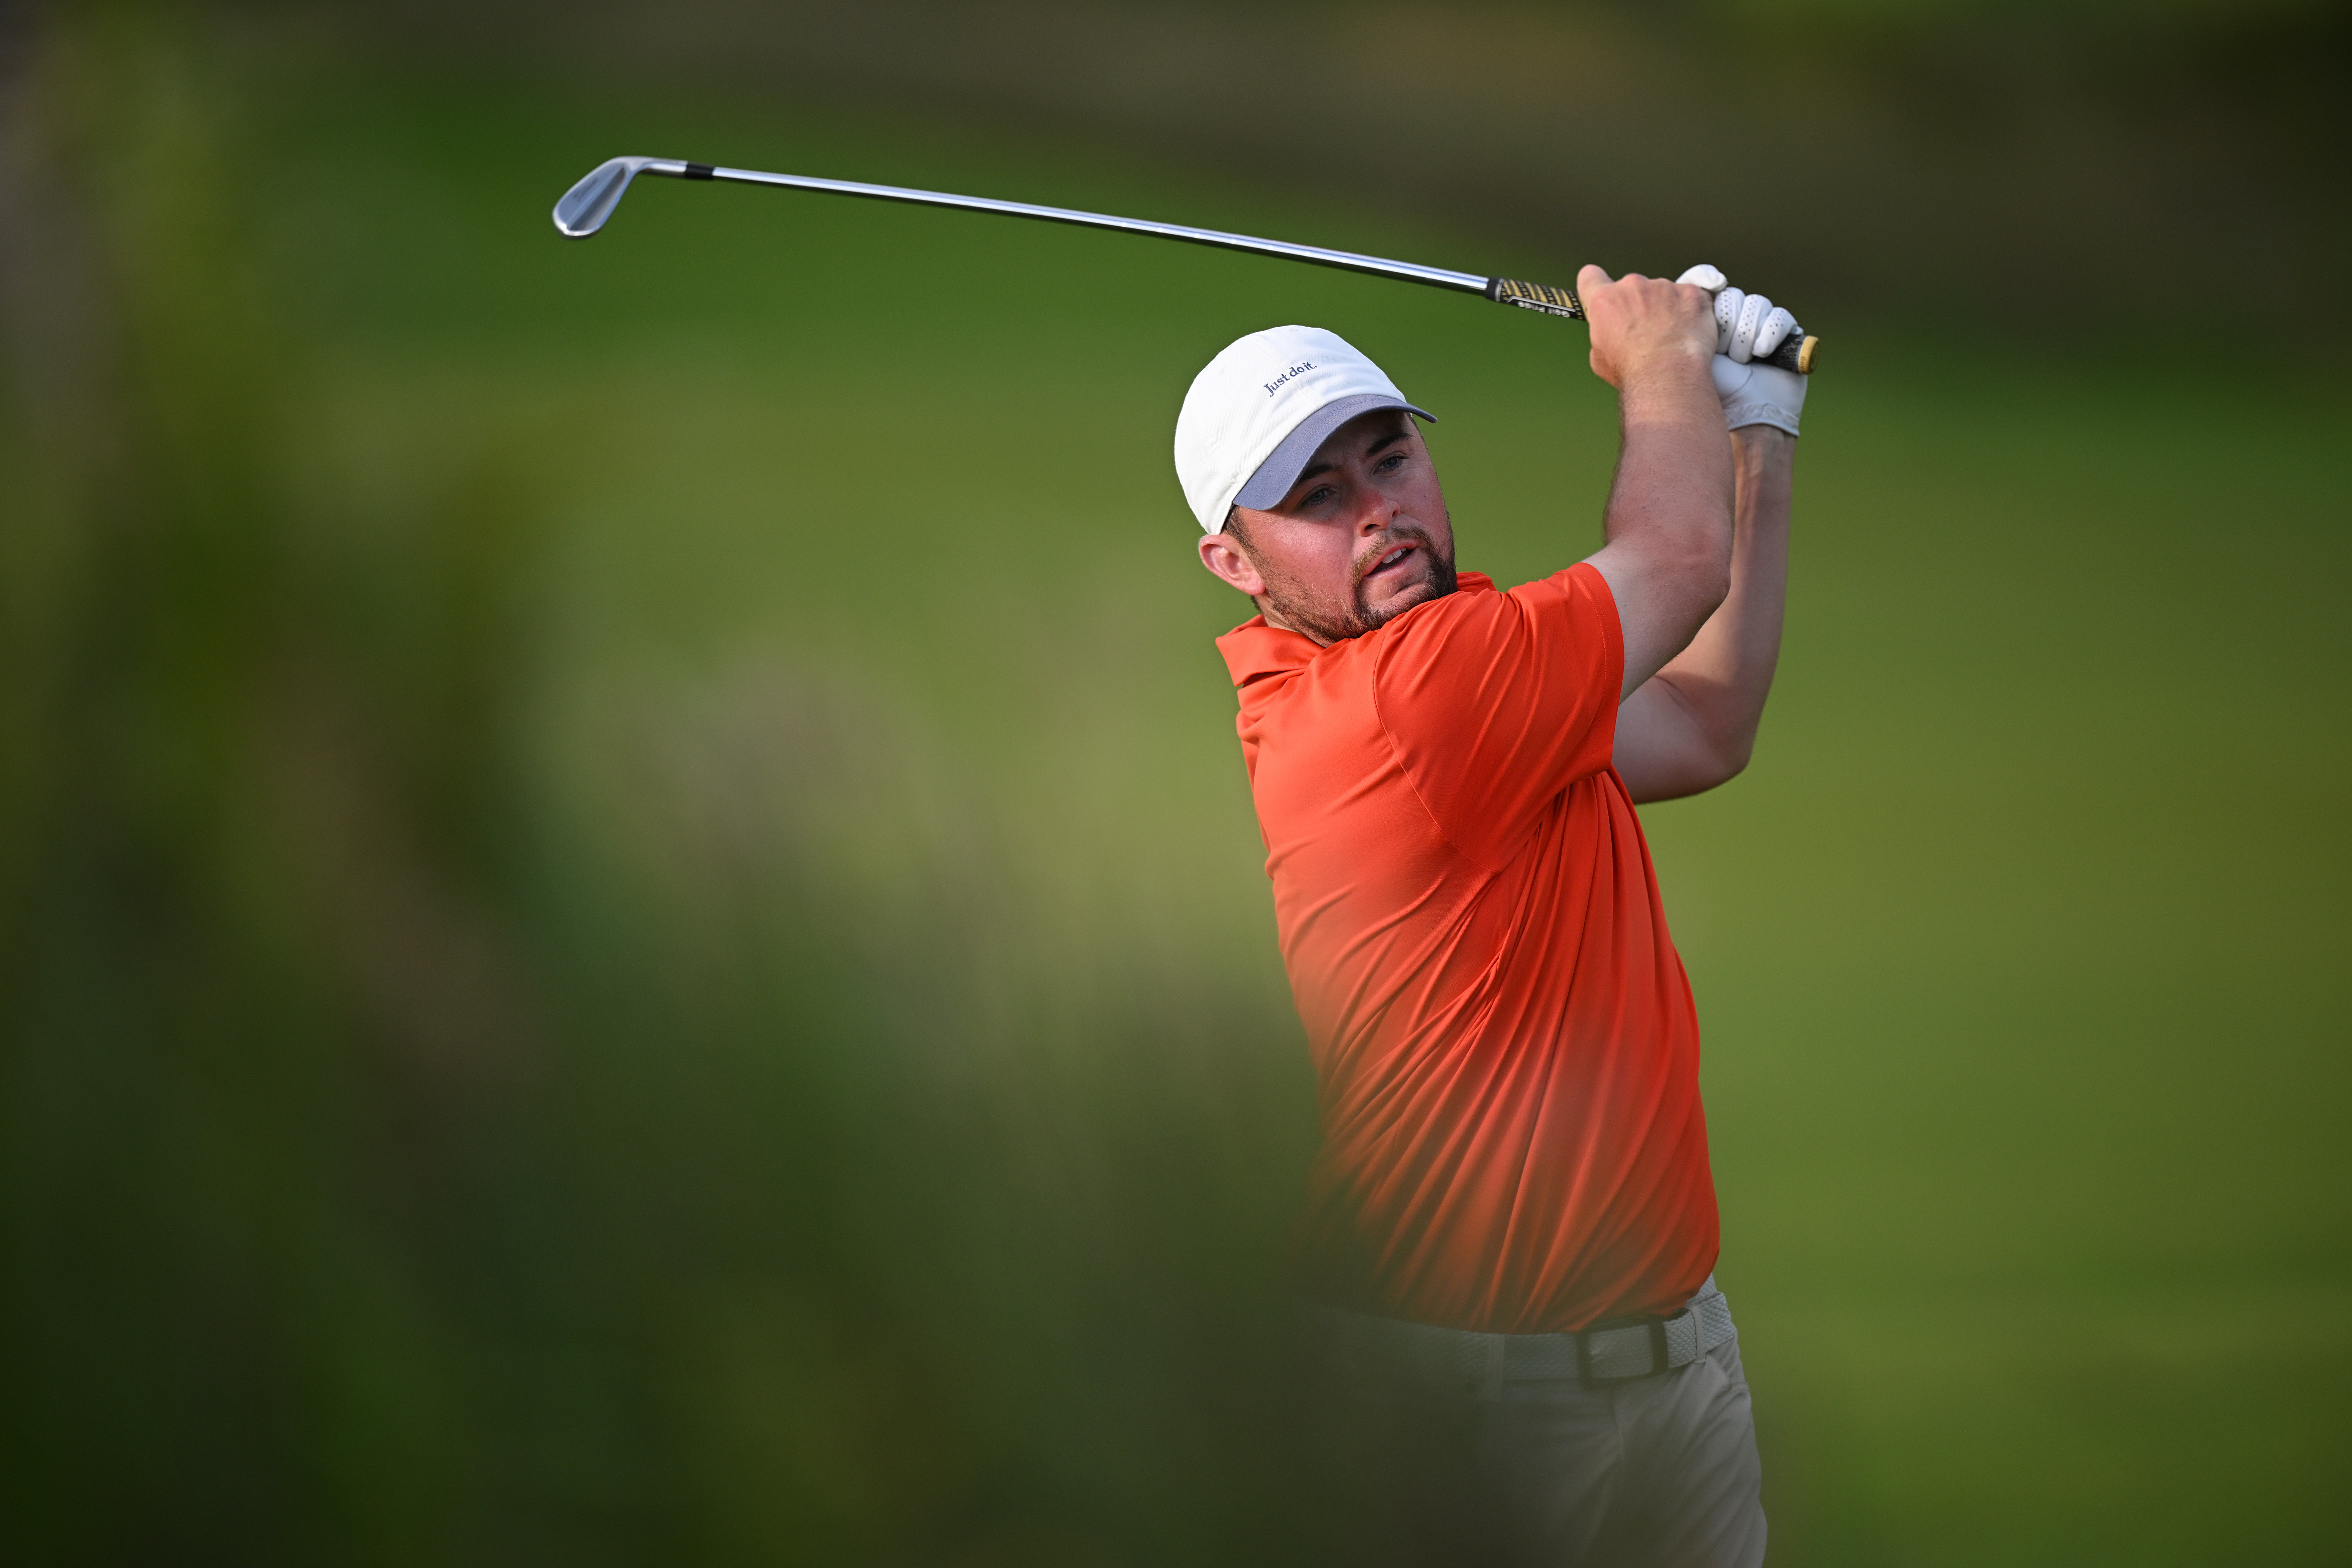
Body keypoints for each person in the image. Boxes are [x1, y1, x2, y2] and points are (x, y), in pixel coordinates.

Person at [1172, 265, 1806, 1567]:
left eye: (1389, 458)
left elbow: (1704, 723)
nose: (1377, 513)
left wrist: (1754, 428)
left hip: (1678, 1372)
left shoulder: (1472, 666)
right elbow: (1679, 563)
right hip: (1466, 1409)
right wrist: (1658, 359)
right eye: (1317, 497)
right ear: (1233, 563)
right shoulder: (1410, 700)